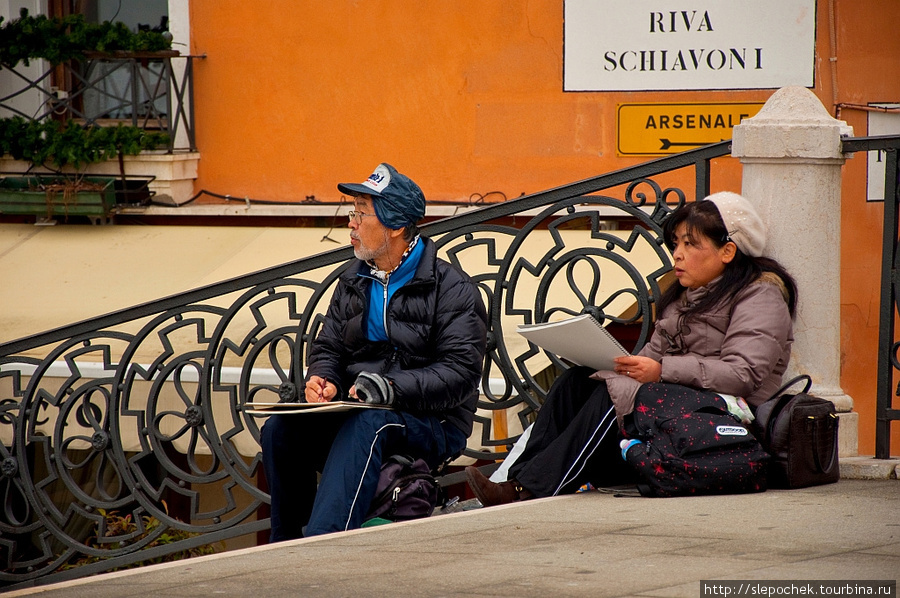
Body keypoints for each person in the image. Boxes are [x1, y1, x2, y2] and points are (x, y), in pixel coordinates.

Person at [466, 191, 797, 505]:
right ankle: (518, 477)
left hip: (728, 418)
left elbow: (744, 373)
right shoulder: (685, 295)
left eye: (690, 244)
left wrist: (661, 370)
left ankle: (529, 489)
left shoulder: (760, 295)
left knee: (619, 395)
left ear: (727, 251)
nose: (677, 254)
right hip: (678, 405)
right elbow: (655, 352)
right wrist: (619, 362)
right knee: (578, 382)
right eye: (676, 243)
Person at [261, 163, 487, 539]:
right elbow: (329, 345)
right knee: (280, 429)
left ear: (396, 226)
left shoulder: (453, 289)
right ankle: (283, 546)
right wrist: (325, 378)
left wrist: (391, 387)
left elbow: (460, 373)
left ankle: (322, 544)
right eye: (352, 212)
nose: (351, 224)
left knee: (370, 422)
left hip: (433, 420)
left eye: (361, 213)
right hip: (362, 408)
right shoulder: (353, 279)